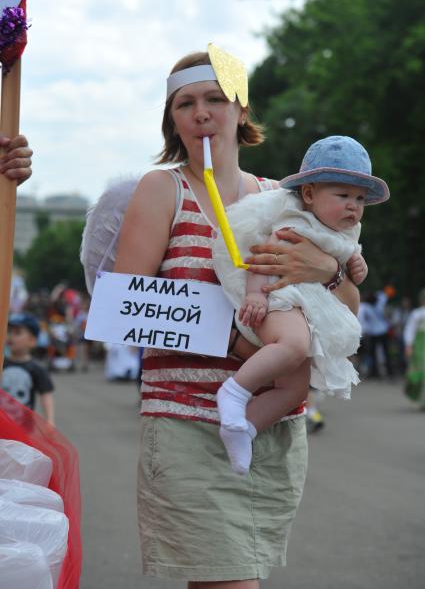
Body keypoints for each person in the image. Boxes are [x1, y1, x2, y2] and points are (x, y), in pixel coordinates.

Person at [110, 44, 361, 588]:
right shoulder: (163, 190)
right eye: (185, 104)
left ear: (241, 111)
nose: (201, 113)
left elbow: (344, 316)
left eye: (215, 99)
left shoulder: (285, 198)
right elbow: (124, 308)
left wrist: (327, 273)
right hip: (189, 425)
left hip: (275, 426)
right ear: (172, 121)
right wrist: (249, 347)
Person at [213, 135, 389, 474]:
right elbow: (263, 258)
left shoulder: (346, 232)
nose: (353, 206)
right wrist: (255, 294)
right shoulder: (297, 224)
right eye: (342, 196)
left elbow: (350, 275)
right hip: (276, 300)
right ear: (309, 195)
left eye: (359, 198)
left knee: (295, 390)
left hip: (305, 311)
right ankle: (234, 392)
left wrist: (356, 267)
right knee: (294, 344)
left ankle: (243, 427)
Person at [1, 313, 55, 425]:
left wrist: (49, 421)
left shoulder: (37, 369)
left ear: (32, 341)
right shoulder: (2, 364)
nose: (11, 336)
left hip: (24, 428)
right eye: (9, 331)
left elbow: (46, 395)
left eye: (17, 332)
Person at [403, 288, 425, 408]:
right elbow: (409, 330)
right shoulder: (418, 314)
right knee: (421, 372)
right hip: (420, 346)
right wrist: (409, 345)